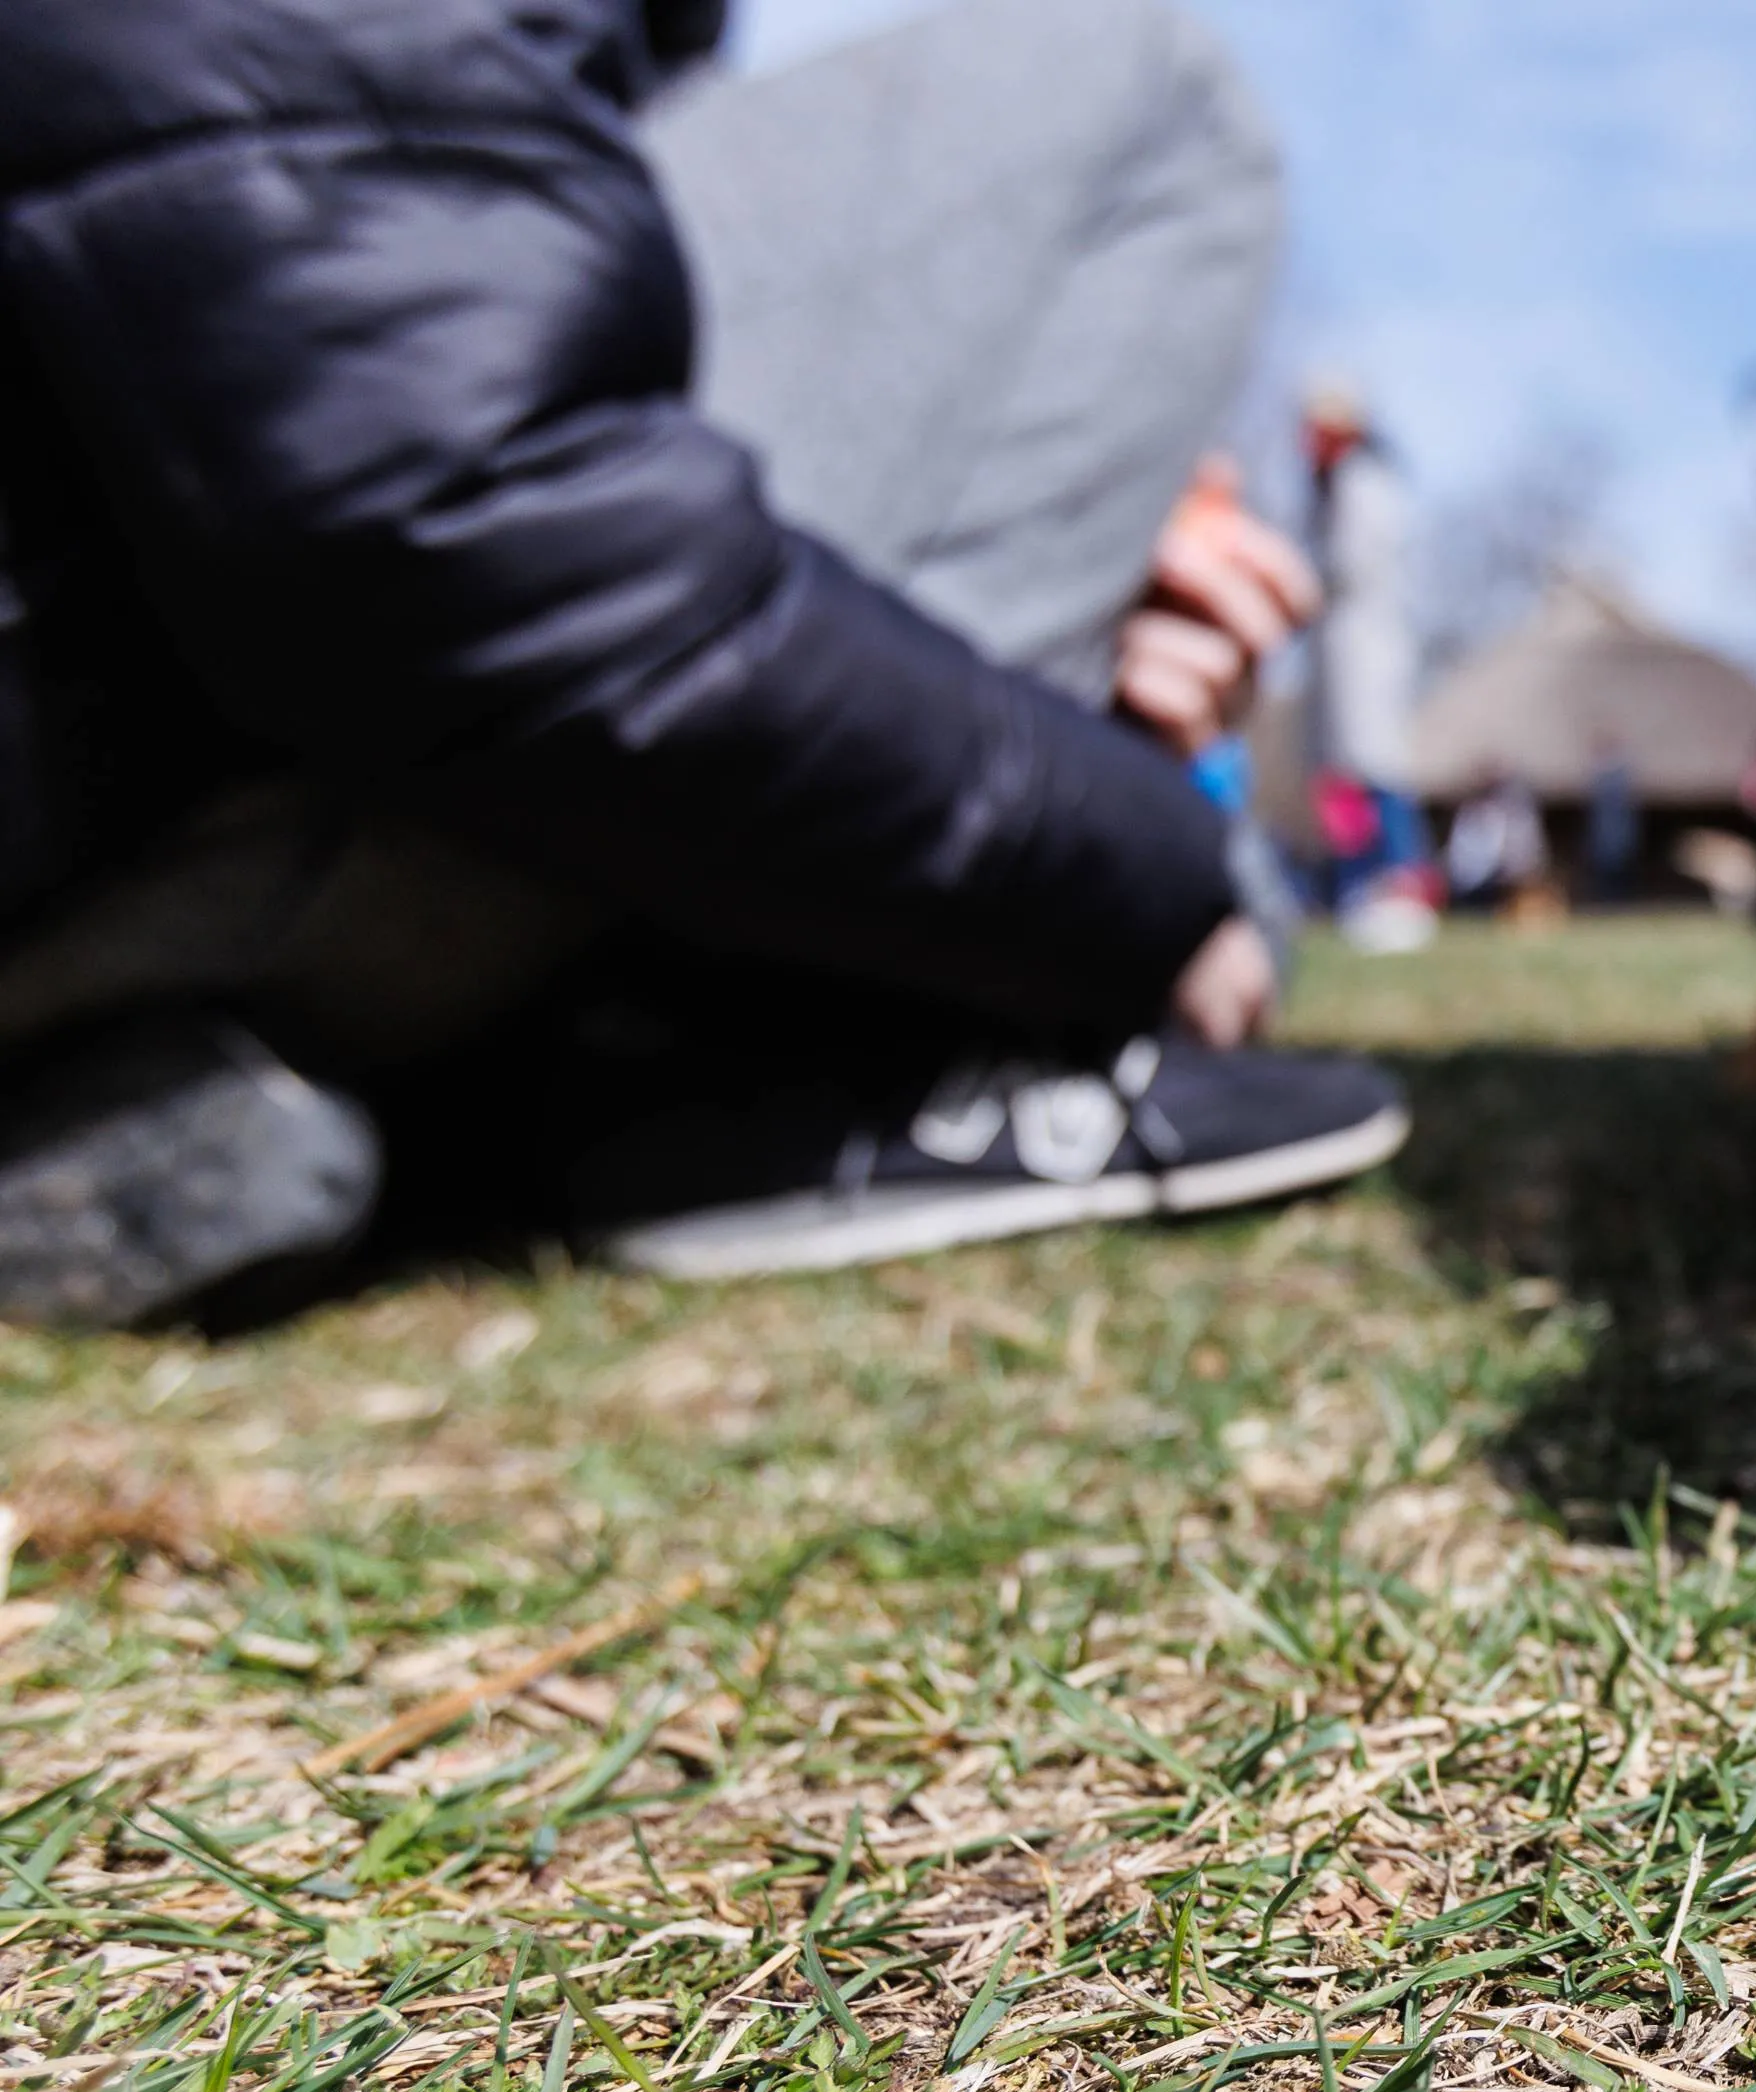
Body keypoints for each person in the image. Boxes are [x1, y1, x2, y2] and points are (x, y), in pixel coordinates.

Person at [0, 0, 1406, 1326]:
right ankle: (783, 1059)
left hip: (116, 769)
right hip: (163, 794)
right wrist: (1137, 862)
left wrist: (1071, 514)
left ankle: (166, 1084)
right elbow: (449, 513)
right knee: (1146, 83)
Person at [1300, 377, 1440, 954]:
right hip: (1336, 644)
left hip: (1366, 641)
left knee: (1376, 764)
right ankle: (1358, 885)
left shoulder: (1368, 481)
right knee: (1342, 778)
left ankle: (1403, 884)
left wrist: (1307, 581)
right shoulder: (1329, 489)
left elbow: (1354, 562)